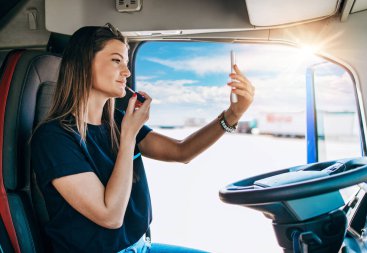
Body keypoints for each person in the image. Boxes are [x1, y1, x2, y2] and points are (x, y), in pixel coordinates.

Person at [31, 23, 255, 253]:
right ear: (84, 64)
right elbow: (110, 216)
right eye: (117, 61)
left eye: (127, 63)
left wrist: (232, 114)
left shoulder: (118, 122)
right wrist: (129, 137)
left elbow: (182, 151)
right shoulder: (54, 138)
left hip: (141, 247)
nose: (127, 72)